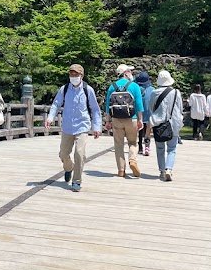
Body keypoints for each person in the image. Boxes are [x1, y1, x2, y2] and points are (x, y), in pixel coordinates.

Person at [44, 63, 102, 192]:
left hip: (82, 126)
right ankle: (69, 168)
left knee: (80, 154)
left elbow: (95, 110)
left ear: (81, 75)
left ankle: (77, 181)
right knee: (63, 154)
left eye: (76, 74)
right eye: (71, 74)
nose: (73, 76)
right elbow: (56, 104)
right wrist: (50, 118)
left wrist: (97, 127)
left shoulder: (88, 90)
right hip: (67, 126)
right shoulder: (64, 89)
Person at [104, 64, 144, 178]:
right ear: (126, 73)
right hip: (132, 118)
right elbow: (139, 105)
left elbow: (108, 106)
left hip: (116, 119)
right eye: (129, 71)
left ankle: (121, 170)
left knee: (118, 145)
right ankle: (132, 160)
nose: (131, 73)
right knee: (133, 142)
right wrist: (140, 120)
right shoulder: (134, 86)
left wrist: (108, 121)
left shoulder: (112, 87)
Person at [147, 70, 183, 181]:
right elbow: (180, 108)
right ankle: (169, 169)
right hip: (174, 124)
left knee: (160, 148)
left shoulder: (154, 92)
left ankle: (162, 170)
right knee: (172, 149)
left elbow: (151, 108)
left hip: (158, 123)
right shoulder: (176, 92)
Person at [134, 71, 154, 156]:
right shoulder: (152, 89)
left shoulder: (137, 89)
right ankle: (147, 147)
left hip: (139, 113)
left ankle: (140, 147)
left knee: (140, 130)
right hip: (149, 112)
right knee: (147, 130)